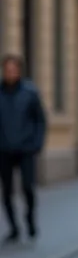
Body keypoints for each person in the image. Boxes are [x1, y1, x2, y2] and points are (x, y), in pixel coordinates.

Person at [0, 54, 46, 243]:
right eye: (7, 69)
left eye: (14, 69)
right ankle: (13, 228)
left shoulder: (30, 93)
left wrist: (36, 144)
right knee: (7, 191)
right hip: (4, 150)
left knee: (28, 187)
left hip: (26, 149)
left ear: (19, 71)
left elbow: (40, 121)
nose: (11, 73)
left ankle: (30, 220)